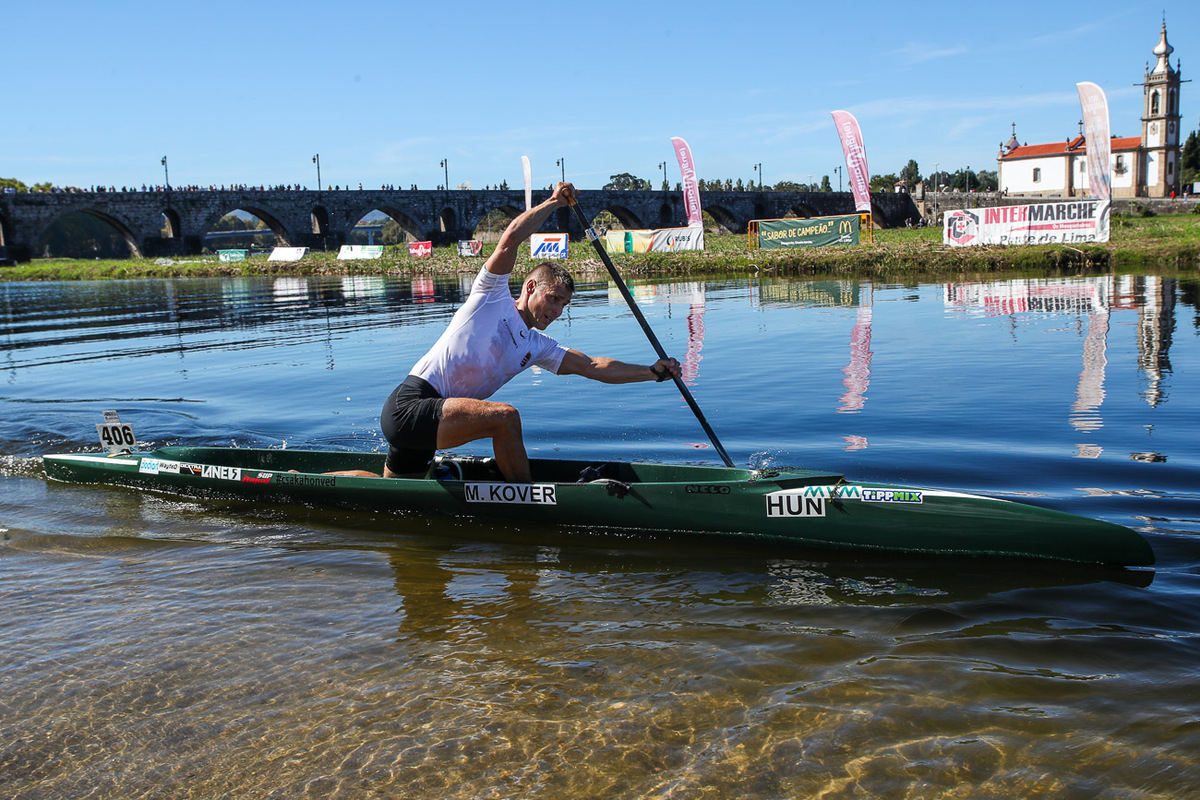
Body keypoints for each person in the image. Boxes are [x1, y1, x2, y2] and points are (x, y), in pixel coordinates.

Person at [381, 181, 680, 483]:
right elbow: (510, 238)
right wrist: (553, 202)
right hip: (411, 405)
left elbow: (593, 366)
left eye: (564, 304)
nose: (558, 310)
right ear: (530, 287)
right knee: (505, 417)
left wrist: (653, 372)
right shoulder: (491, 295)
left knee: (389, 492)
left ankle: (332, 485)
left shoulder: (538, 346)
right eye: (553, 298)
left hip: (438, 418)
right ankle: (529, 497)